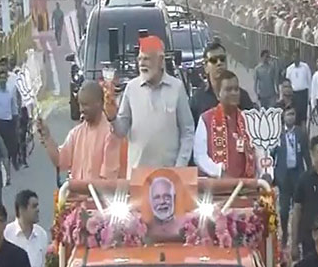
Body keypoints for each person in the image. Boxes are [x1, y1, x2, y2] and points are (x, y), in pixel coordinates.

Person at [104, 35, 195, 177]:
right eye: (139, 59)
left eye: (146, 59)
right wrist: (112, 117)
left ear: (160, 61)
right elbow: (121, 131)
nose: (141, 64)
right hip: (138, 176)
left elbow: (188, 131)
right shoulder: (131, 88)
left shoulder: (176, 88)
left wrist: (180, 167)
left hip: (170, 175)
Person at [38, 81, 120, 180]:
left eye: (85, 105)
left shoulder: (110, 135)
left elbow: (107, 181)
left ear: (99, 103)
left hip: (97, 194)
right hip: (75, 193)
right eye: (80, 104)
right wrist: (47, 138)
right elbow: (60, 161)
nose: (81, 109)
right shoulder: (76, 133)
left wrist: (83, 190)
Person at [194, 70, 256, 178]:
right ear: (218, 95)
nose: (234, 93)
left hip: (245, 187)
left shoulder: (247, 119)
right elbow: (199, 156)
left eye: (236, 89)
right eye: (228, 89)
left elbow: (257, 149)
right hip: (217, 188)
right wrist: (219, 172)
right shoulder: (206, 119)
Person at [189, 42, 254, 126]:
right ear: (206, 68)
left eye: (222, 59)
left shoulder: (242, 96)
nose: (219, 63)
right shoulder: (197, 100)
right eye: (213, 60)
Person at [272, 104, 310, 244]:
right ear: (283, 117)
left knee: (298, 207)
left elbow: (306, 154)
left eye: (293, 114)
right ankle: (285, 233)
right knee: (283, 209)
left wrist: (310, 169)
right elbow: (271, 155)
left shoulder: (301, 133)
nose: (291, 117)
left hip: (297, 174)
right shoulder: (277, 134)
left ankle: (297, 236)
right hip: (283, 176)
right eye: (288, 114)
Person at [286, 49, 312, 128]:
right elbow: (287, 84)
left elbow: (309, 81)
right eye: (294, 56)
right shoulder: (289, 69)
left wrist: (310, 97)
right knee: (295, 116)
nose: (295, 58)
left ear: (299, 57)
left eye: (297, 56)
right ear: (292, 57)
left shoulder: (305, 67)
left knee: (303, 117)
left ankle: (304, 134)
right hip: (294, 95)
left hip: (303, 94)